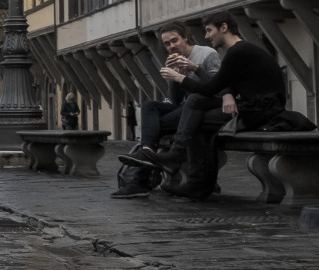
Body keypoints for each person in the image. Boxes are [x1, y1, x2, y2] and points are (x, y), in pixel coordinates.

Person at [132, 12, 287, 200]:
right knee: (191, 105)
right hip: (254, 107)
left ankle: (194, 178)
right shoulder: (237, 52)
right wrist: (178, 77)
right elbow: (216, 87)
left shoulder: (237, 52)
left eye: (209, 30)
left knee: (196, 114)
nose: (206, 36)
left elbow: (211, 87)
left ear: (223, 28)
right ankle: (188, 173)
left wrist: (183, 75)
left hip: (260, 111)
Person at [113, 22, 222, 198]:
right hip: (185, 108)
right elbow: (175, 99)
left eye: (174, 40)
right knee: (149, 106)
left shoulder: (207, 54)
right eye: (167, 44)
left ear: (185, 37)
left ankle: (140, 175)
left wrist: (190, 71)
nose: (172, 46)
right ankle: (147, 150)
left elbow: (218, 87)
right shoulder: (173, 59)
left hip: (201, 110)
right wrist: (174, 77)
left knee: (155, 126)